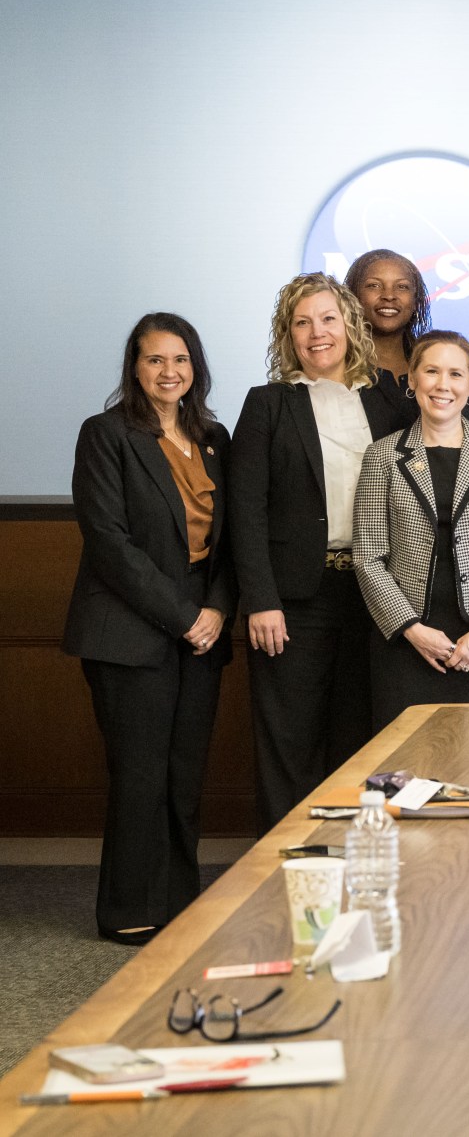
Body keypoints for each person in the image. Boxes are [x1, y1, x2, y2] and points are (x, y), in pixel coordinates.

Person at [63, 314, 234, 945]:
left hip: (202, 627)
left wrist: (215, 608)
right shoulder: (105, 434)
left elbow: (230, 539)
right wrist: (185, 615)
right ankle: (128, 910)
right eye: (155, 360)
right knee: (140, 774)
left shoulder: (214, 437)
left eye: (181, 359)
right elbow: (109, 542)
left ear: (196, 367)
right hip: (130, 628)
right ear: (135, 368)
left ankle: (178, 904)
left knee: (184, 773)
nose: (170, 372)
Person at [230, 274, 408, 828]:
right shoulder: (268, 404)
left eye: (328, 318)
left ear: (350, 324)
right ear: (288, 334)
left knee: (362, 737)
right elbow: (245, 509)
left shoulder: (388, 397)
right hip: (293, 601)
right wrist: (261, 599)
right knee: (291, 740)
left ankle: (354, 860)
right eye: (302, 322)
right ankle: (285, 868)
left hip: (376, 594)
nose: (317, 333)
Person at [353, 331, 469, 728]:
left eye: (455, 374)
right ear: (412, 380)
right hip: (406, 640)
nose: (442, 385)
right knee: (405, 770)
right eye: (431, 371)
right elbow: (368, 556)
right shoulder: (383, 455)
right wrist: (412, 630)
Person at [345, 249, 430, 384]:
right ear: (353, 295)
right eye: (374, 285)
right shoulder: (336, 367)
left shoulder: (432, 363)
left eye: (402, 286)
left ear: (416, 300)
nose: (389, 296)